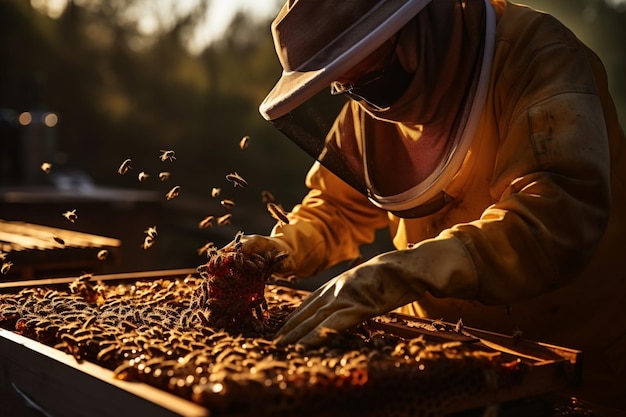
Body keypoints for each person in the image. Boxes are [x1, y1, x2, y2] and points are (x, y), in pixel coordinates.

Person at [240, 0, 626, 408]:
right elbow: (335, 208)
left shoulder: (539, 56)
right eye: (346, 86)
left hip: (577, 364)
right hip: (439, 361)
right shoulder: (368, 109)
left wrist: (406, 271)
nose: (365, 100)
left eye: (372, 78)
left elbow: (555, 217)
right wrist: (285, 248)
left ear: (419, 22)